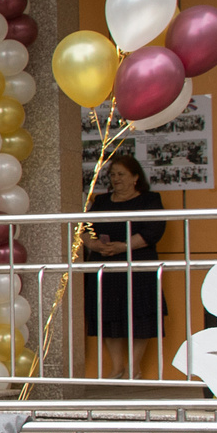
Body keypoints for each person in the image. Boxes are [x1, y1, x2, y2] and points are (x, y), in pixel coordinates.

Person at [81, 151, 167, 380]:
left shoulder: (150, 200)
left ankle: (134, 368)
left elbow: (153, 231)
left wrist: (125, 247)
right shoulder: (101, 202)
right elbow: (85, 228)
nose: (116, 178)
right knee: (109, 317)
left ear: (135, 177)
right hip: (105, 265)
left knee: (140, 316)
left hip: (138, 267)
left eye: (121, 174)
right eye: (113, 174)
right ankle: (117, 368)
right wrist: (96, 245)